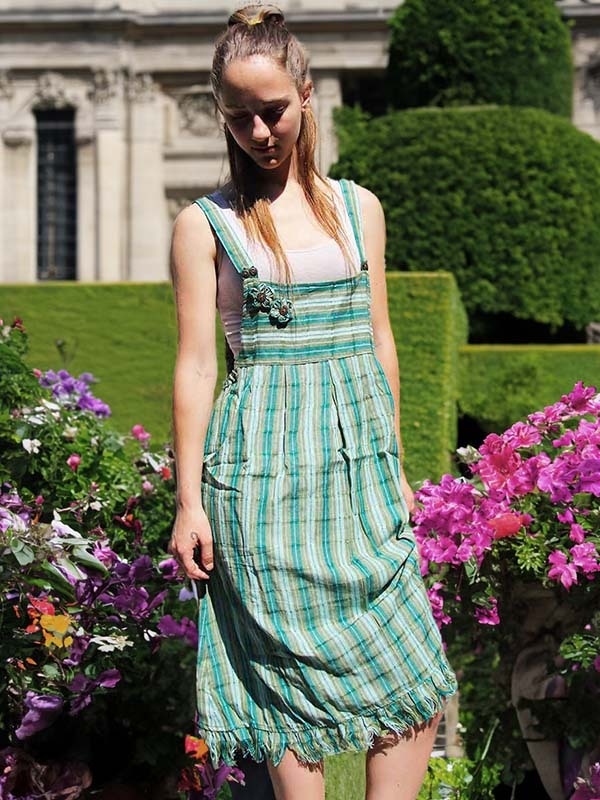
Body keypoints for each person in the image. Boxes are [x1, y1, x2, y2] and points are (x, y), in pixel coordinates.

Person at [167, 5, 459, 799]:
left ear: (306, 95)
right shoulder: (205, 225)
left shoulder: (360, 208)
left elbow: (379, 340)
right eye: (239, 116)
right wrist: (189, 502)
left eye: (273, 110)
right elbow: (197, 365)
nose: (259, 131)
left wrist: (394, 464)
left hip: (358, 472)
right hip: (257, 480)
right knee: (283, 687)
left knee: (412, 675)